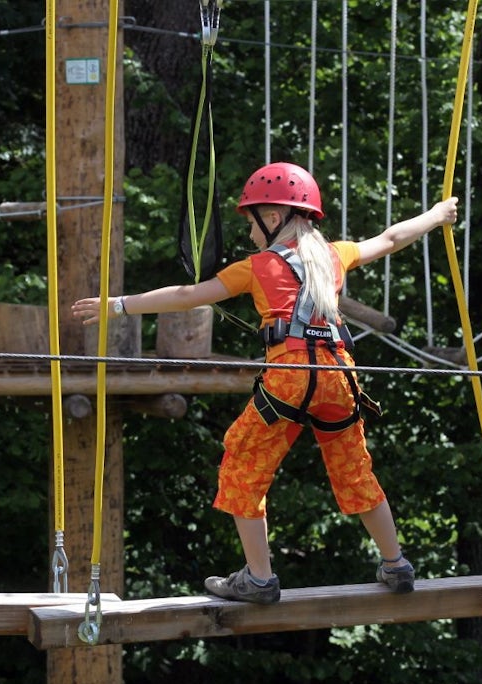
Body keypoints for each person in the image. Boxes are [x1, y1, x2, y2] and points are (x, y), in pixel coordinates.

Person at [71, 162, 459, 604]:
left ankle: (259, 577)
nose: (251, 234)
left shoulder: (256, 266)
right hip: (340, 377)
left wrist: (119, 305)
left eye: (252, 222)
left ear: (273, 218)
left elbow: (186, 295)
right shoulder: (335, 255)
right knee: (354, 470)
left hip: (290, 379)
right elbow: (391, 239)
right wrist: (437, 213)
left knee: (242, 465)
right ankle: (396, 564)